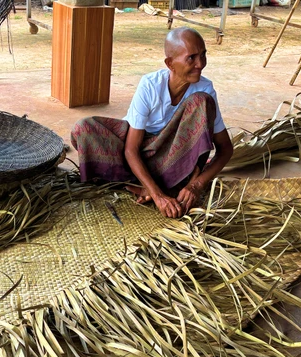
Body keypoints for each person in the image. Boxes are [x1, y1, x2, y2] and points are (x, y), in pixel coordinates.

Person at [71, 27, 234, 218]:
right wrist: (158, 196)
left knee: (202, 100)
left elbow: (225, 149)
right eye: (191, 58)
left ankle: (147, 185)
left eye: (203, 55)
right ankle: (147, 185)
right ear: (170, 64)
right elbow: (131, 150)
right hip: (139, 155)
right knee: (84, 128)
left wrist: (196, 185)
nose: (200, 64)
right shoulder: (150, 85)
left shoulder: (204, 90)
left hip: (172, 160)